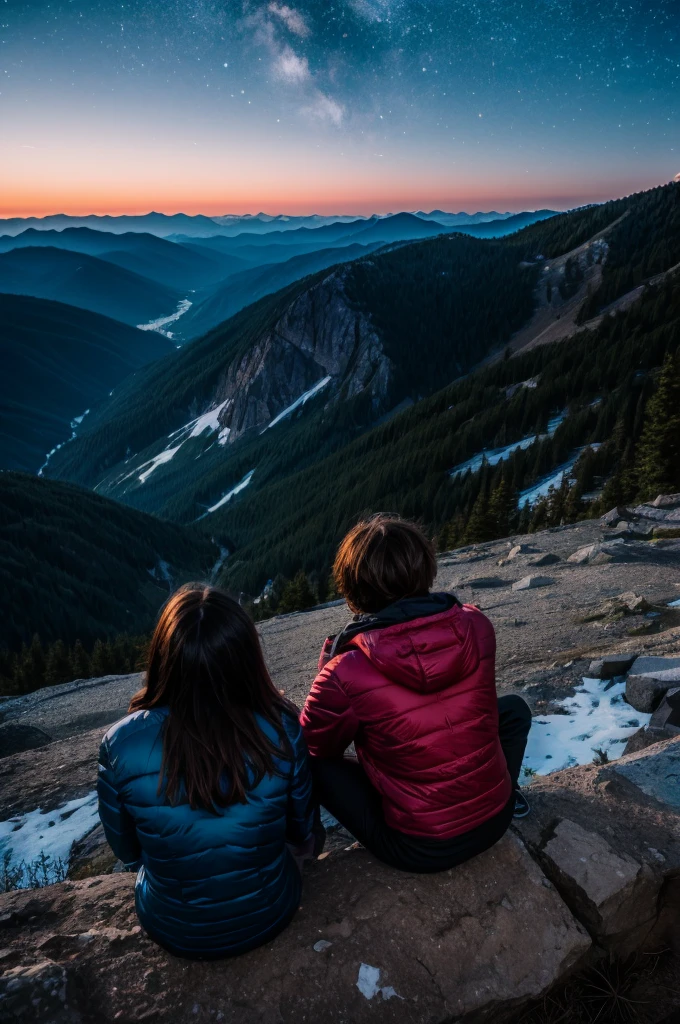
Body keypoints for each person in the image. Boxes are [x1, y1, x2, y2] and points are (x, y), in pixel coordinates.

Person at [300, 514, 532, 873]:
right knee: (514, 709)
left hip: (420, 848)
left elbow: (317, 746)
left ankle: (304, 849)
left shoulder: (345, 671)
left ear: (352, 589)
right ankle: (506, 793)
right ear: (425, 568)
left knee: (309, 764)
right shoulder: (476, 625)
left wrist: (330, 666)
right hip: (495, 822)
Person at [97, 583, 314, 960]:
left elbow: (128, 852)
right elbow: (303, 831)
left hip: (174, 927)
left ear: (162, 657)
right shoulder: (282, 727)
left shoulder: (120, 744)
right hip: (271, 911)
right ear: (247, 658)